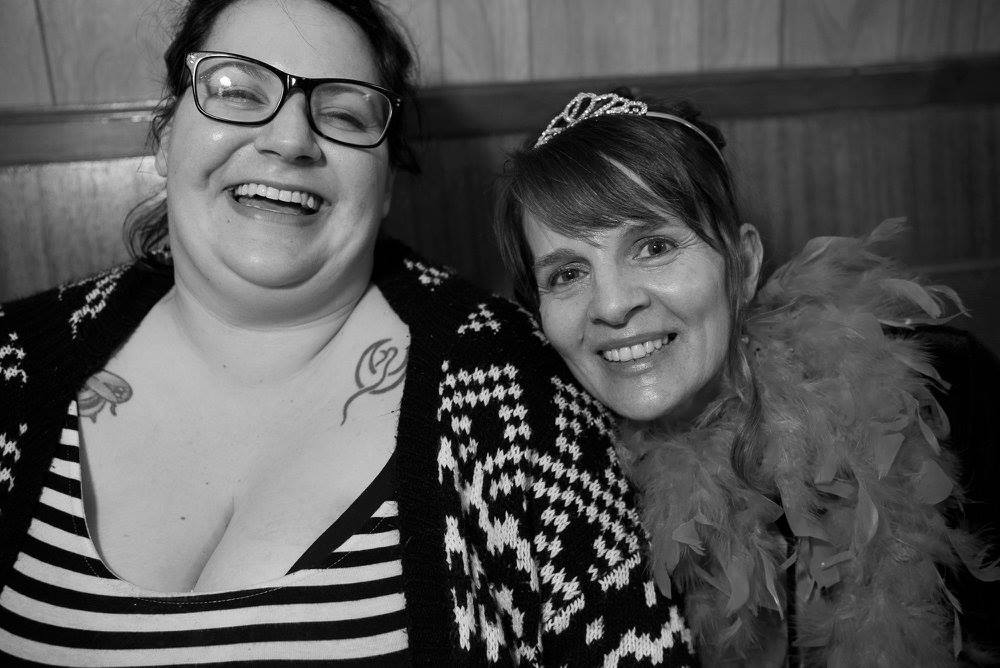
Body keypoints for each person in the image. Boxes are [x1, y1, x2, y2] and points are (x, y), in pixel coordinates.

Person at [0, 5, 699, 664]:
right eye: (237, 92)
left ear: (387, 182)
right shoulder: (13, 362)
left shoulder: (517, 384)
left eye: (341, 113)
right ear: (164, 136)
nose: (288, 140)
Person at [494, 91, 1000, 666]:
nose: (611, 305)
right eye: (567, 274)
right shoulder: (550, 488)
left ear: (743, 264)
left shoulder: (941, 390)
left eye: (654, 246)